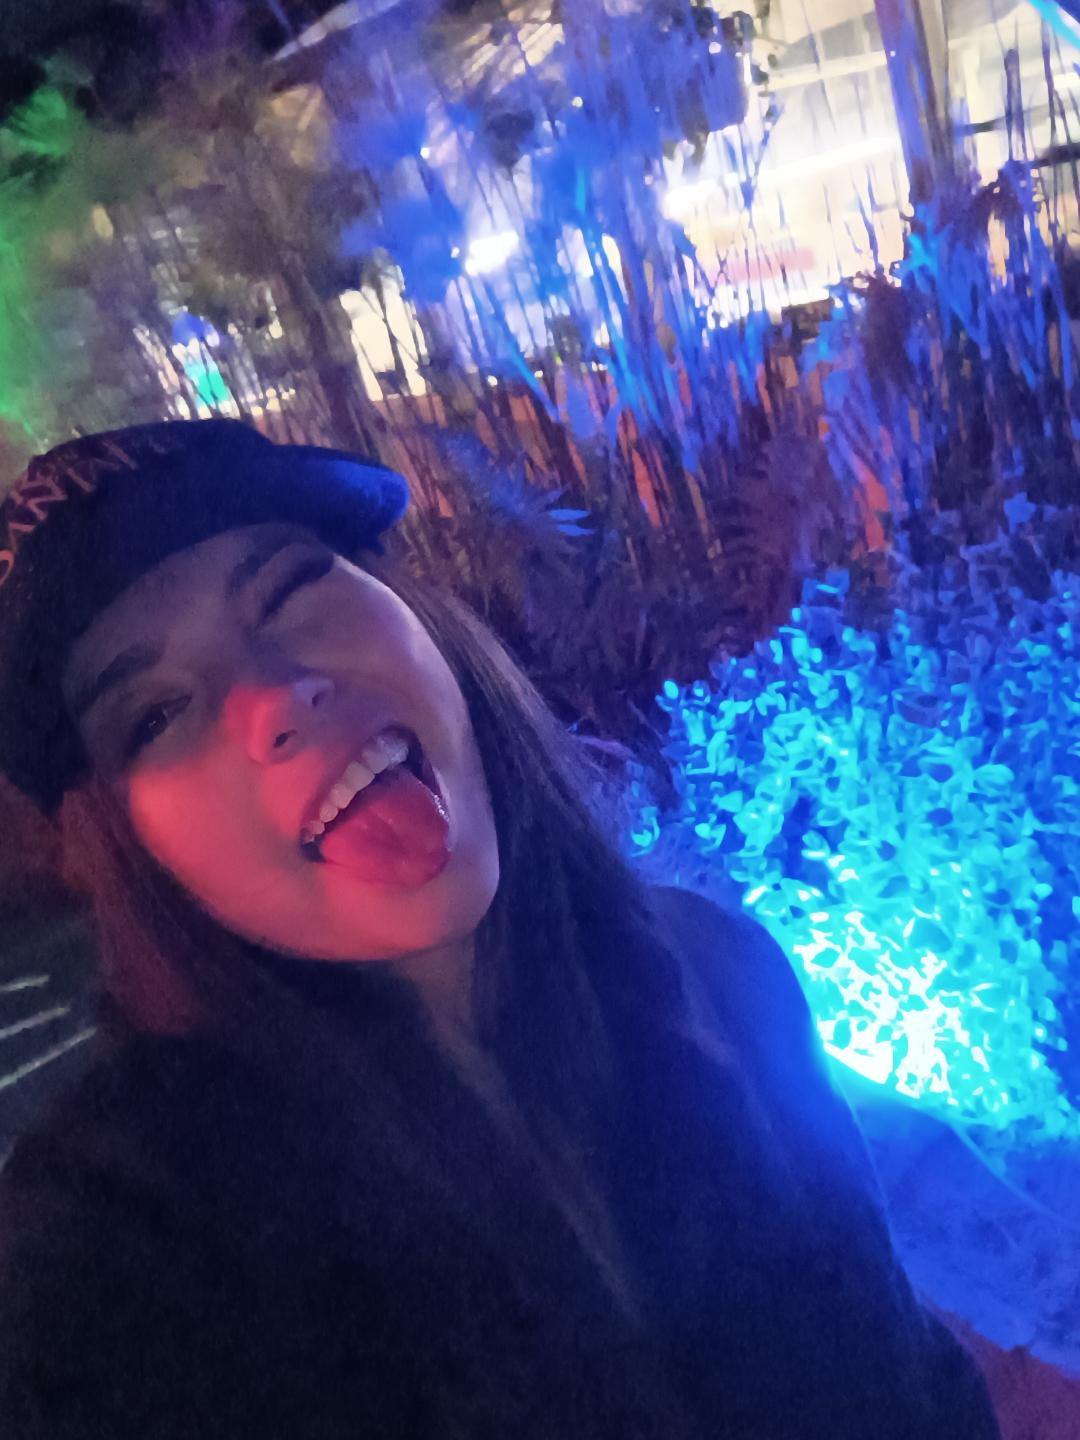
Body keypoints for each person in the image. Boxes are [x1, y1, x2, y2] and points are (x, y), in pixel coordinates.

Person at [0, 420, 999, 1439]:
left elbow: (920, 1389)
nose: (275, 699)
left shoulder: (719, 971)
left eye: (288, 589)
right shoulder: (113, 1261)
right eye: (155, 714)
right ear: (121, 843)